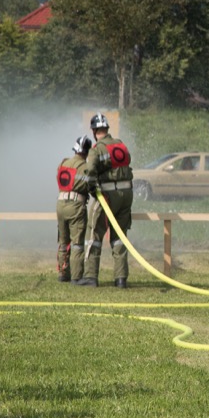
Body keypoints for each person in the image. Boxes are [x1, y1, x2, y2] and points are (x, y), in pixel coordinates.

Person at [79, 113, 134, 288]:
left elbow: (90, 171)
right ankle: (121, 278)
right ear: (107, 129)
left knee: (94, 233)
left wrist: (91, 189)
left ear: (94, 131)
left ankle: (90, 276)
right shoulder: (121, 145)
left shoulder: (96, 149)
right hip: (126, 195)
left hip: (107, 196)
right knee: (120, 236)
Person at [57, 135, 94, 283]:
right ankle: (77, 277)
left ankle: (63, 274)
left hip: (60, 205)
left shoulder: (64, 163)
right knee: (77, 243)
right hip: (76, 206)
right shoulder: (86, 168)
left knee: (63, 241)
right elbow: (91, 186)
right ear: (87, 151)